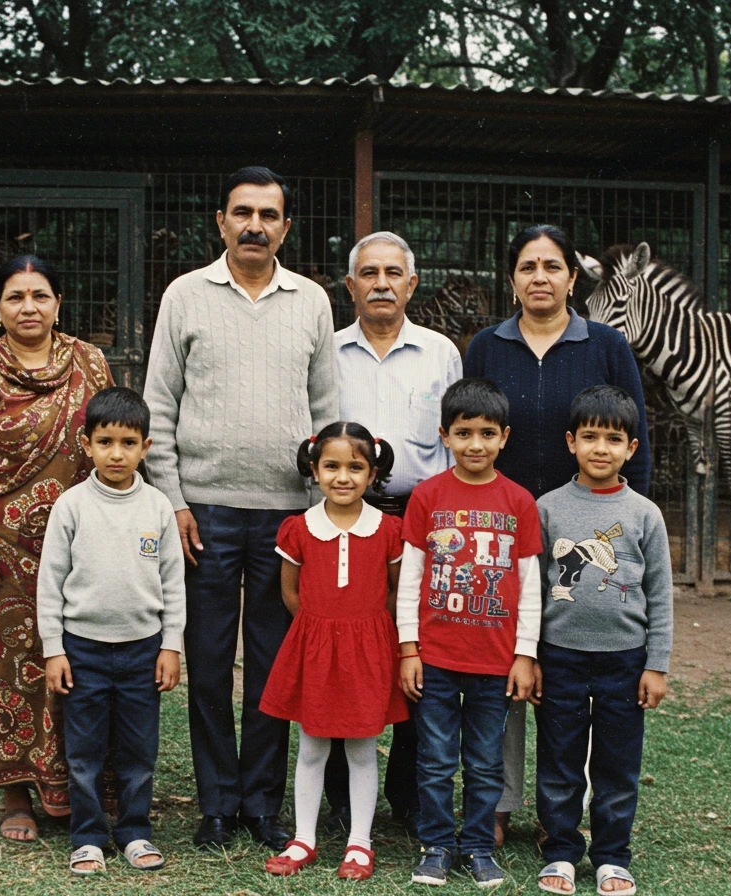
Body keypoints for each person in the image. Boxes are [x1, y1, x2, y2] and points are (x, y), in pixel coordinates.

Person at [143, 166, 339, 851]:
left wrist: (322, 511)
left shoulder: (311, 301)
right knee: (206, 658)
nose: (255, 224)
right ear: (220, 222)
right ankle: (215, 804)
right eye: (242, 212)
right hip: (205, 512)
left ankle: (261, 804)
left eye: (269, 214)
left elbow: (328, 414)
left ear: (287, 227)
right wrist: (171, 500)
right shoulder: (185, 296)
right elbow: (158, 405)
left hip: (287, 515)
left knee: (273, 662)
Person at [463, 224, 651, 846]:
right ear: (511, 278)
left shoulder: (605, 344)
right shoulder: (488, 345)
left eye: (552, 266)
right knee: (508, 666)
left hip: (587, 530)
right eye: (526, 266)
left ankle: (567, 814)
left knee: (580, 670)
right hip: (505, 527)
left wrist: (627, 524)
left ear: (574, 277)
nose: (539, 277)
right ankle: (498, 800)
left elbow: (635, 436)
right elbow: (471, 427)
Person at [0, 255, 114, 842]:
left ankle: (83, 786)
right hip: (2, 549)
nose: (29, 307)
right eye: (15, 297)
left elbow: (110, 440)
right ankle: (17, 794)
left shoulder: (89, 362)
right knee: (11, 666)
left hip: (83, 544)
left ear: (58, 303)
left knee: (83, 661)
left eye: (39, 295)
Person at [326, 231, 461, 835]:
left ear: (412, 284)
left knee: (415, 648)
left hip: (420, 518)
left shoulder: (441, 354)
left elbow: (455, 441)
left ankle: (408, 796)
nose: (381, 283)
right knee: (342, 647)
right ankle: (338, 799)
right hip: (345, 519)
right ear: (350, 285)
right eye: (369, 273)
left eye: (393, 273)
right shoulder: (325, 353)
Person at [396, 378, 542, 889]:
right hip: (434, 659)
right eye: (463, 433)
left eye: (486, 433)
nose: (474, 444)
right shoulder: (426, 497)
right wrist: (408, 647)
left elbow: (529, 587)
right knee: (434, 761)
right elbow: (410, 579)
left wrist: (524, 654)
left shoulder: (519, 501)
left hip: (494, 664)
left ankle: (479, 846)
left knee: (484, 764)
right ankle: (436, 845)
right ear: (444, 435)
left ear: (504, 437)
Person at [38, 387, 186, 875]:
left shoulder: (158, 507)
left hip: (143, 650)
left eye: (127, 442)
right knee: (82, 751)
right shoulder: (72, 506)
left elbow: (173, 584)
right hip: (83, 651)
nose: (116, 453)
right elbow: (50, 583)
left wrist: (170, 645)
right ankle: (87, 837)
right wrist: (55, 650)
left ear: (146, 447)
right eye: (105, 442)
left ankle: (135, 832)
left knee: (138, 749)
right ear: (87, 444)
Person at [533, 385, 672, 896]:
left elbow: (660, 594)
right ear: (571, 441)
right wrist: (531, 656)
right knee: (560, 762)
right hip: (561, 658)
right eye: (589, 436)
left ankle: (612, 856)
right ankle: (562, 852)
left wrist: (655, 664)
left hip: (625, 662)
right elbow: (532, 589)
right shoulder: (547, 509)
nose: (600, 448)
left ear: (631, 449)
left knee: (617, 765)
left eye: (613, 439)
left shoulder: (644, 514)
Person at [260, 422, 408, 881]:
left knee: (363, 748)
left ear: (372, 473)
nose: (343, 477)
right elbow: (291, 593)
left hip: (367, 649)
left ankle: (359, 843)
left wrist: (362, 630)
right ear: (314, 468)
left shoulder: (387, 530)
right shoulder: (300, 528)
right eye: (332, 466)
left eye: (355, 467)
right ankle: (304, 838)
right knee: (312, 746)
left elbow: (392, 592)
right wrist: (323, 630)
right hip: (315, 647)